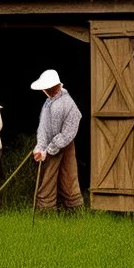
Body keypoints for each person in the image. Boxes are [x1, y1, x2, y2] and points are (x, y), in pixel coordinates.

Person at [30, 69, 83, 210]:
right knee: (58, 177)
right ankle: (53, 208)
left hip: (64, 144)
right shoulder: (48, 103)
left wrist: (48, 149)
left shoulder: (66, 103)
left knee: (65, 177)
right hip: (50, 144)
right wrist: (40, 147)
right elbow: (43, 127)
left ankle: (63, 209)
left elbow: (68, 131)